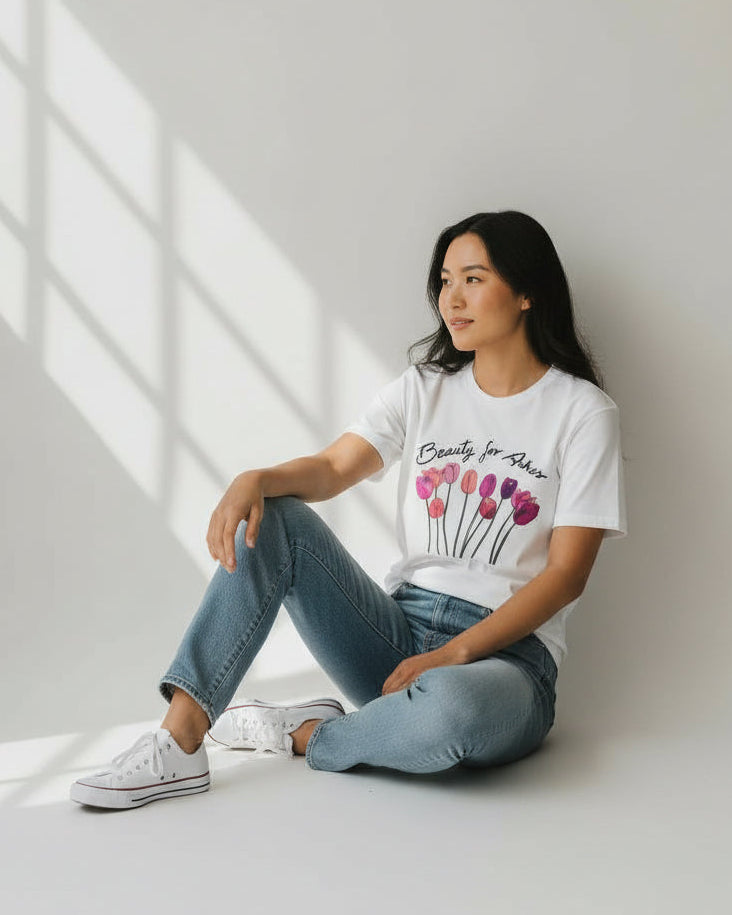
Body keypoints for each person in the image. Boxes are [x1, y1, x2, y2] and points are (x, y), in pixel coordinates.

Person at [70, 210, 627, 809]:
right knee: (275, 517)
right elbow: (335, 467)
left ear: (526, 293)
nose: (452, 298)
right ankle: (180, 741)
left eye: (473, 279)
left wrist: (454, 654)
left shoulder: (582, 413)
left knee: (453, 713)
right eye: (445, 281)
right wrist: (256, 479)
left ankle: (306, 734)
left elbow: (566, 575)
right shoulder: (425, 388)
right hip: (398, 638)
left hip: (507, 663)